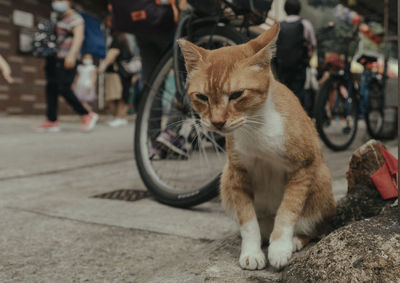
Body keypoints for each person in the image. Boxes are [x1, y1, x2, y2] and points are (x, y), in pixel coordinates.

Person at [35, 0, 98, 132]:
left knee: (64, 88)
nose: (56, 2)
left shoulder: (75, 18)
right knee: (51, 88)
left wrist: (72, 54)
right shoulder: (56, 18)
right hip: (53, 58)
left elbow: (78, 37)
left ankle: (86, 114)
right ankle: (51, 120)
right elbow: (52, 41)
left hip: (66, 58)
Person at [275, 0, 316, 109]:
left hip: (282, 67)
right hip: (299, 66)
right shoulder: (305, 24)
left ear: (285, 10)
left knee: (283, 94)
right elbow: (312, 44)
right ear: (299, 9)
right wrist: (308, 58)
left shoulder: (279, 26)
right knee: (298, 94)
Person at [98, 30, 132, 127]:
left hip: (117, 72)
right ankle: (120, 117)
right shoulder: (125, 39)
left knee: (116, 96)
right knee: (122, 95)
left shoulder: (117, 40)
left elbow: (112, 53)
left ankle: (120, 117)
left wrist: (102, 66)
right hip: (125, 72)